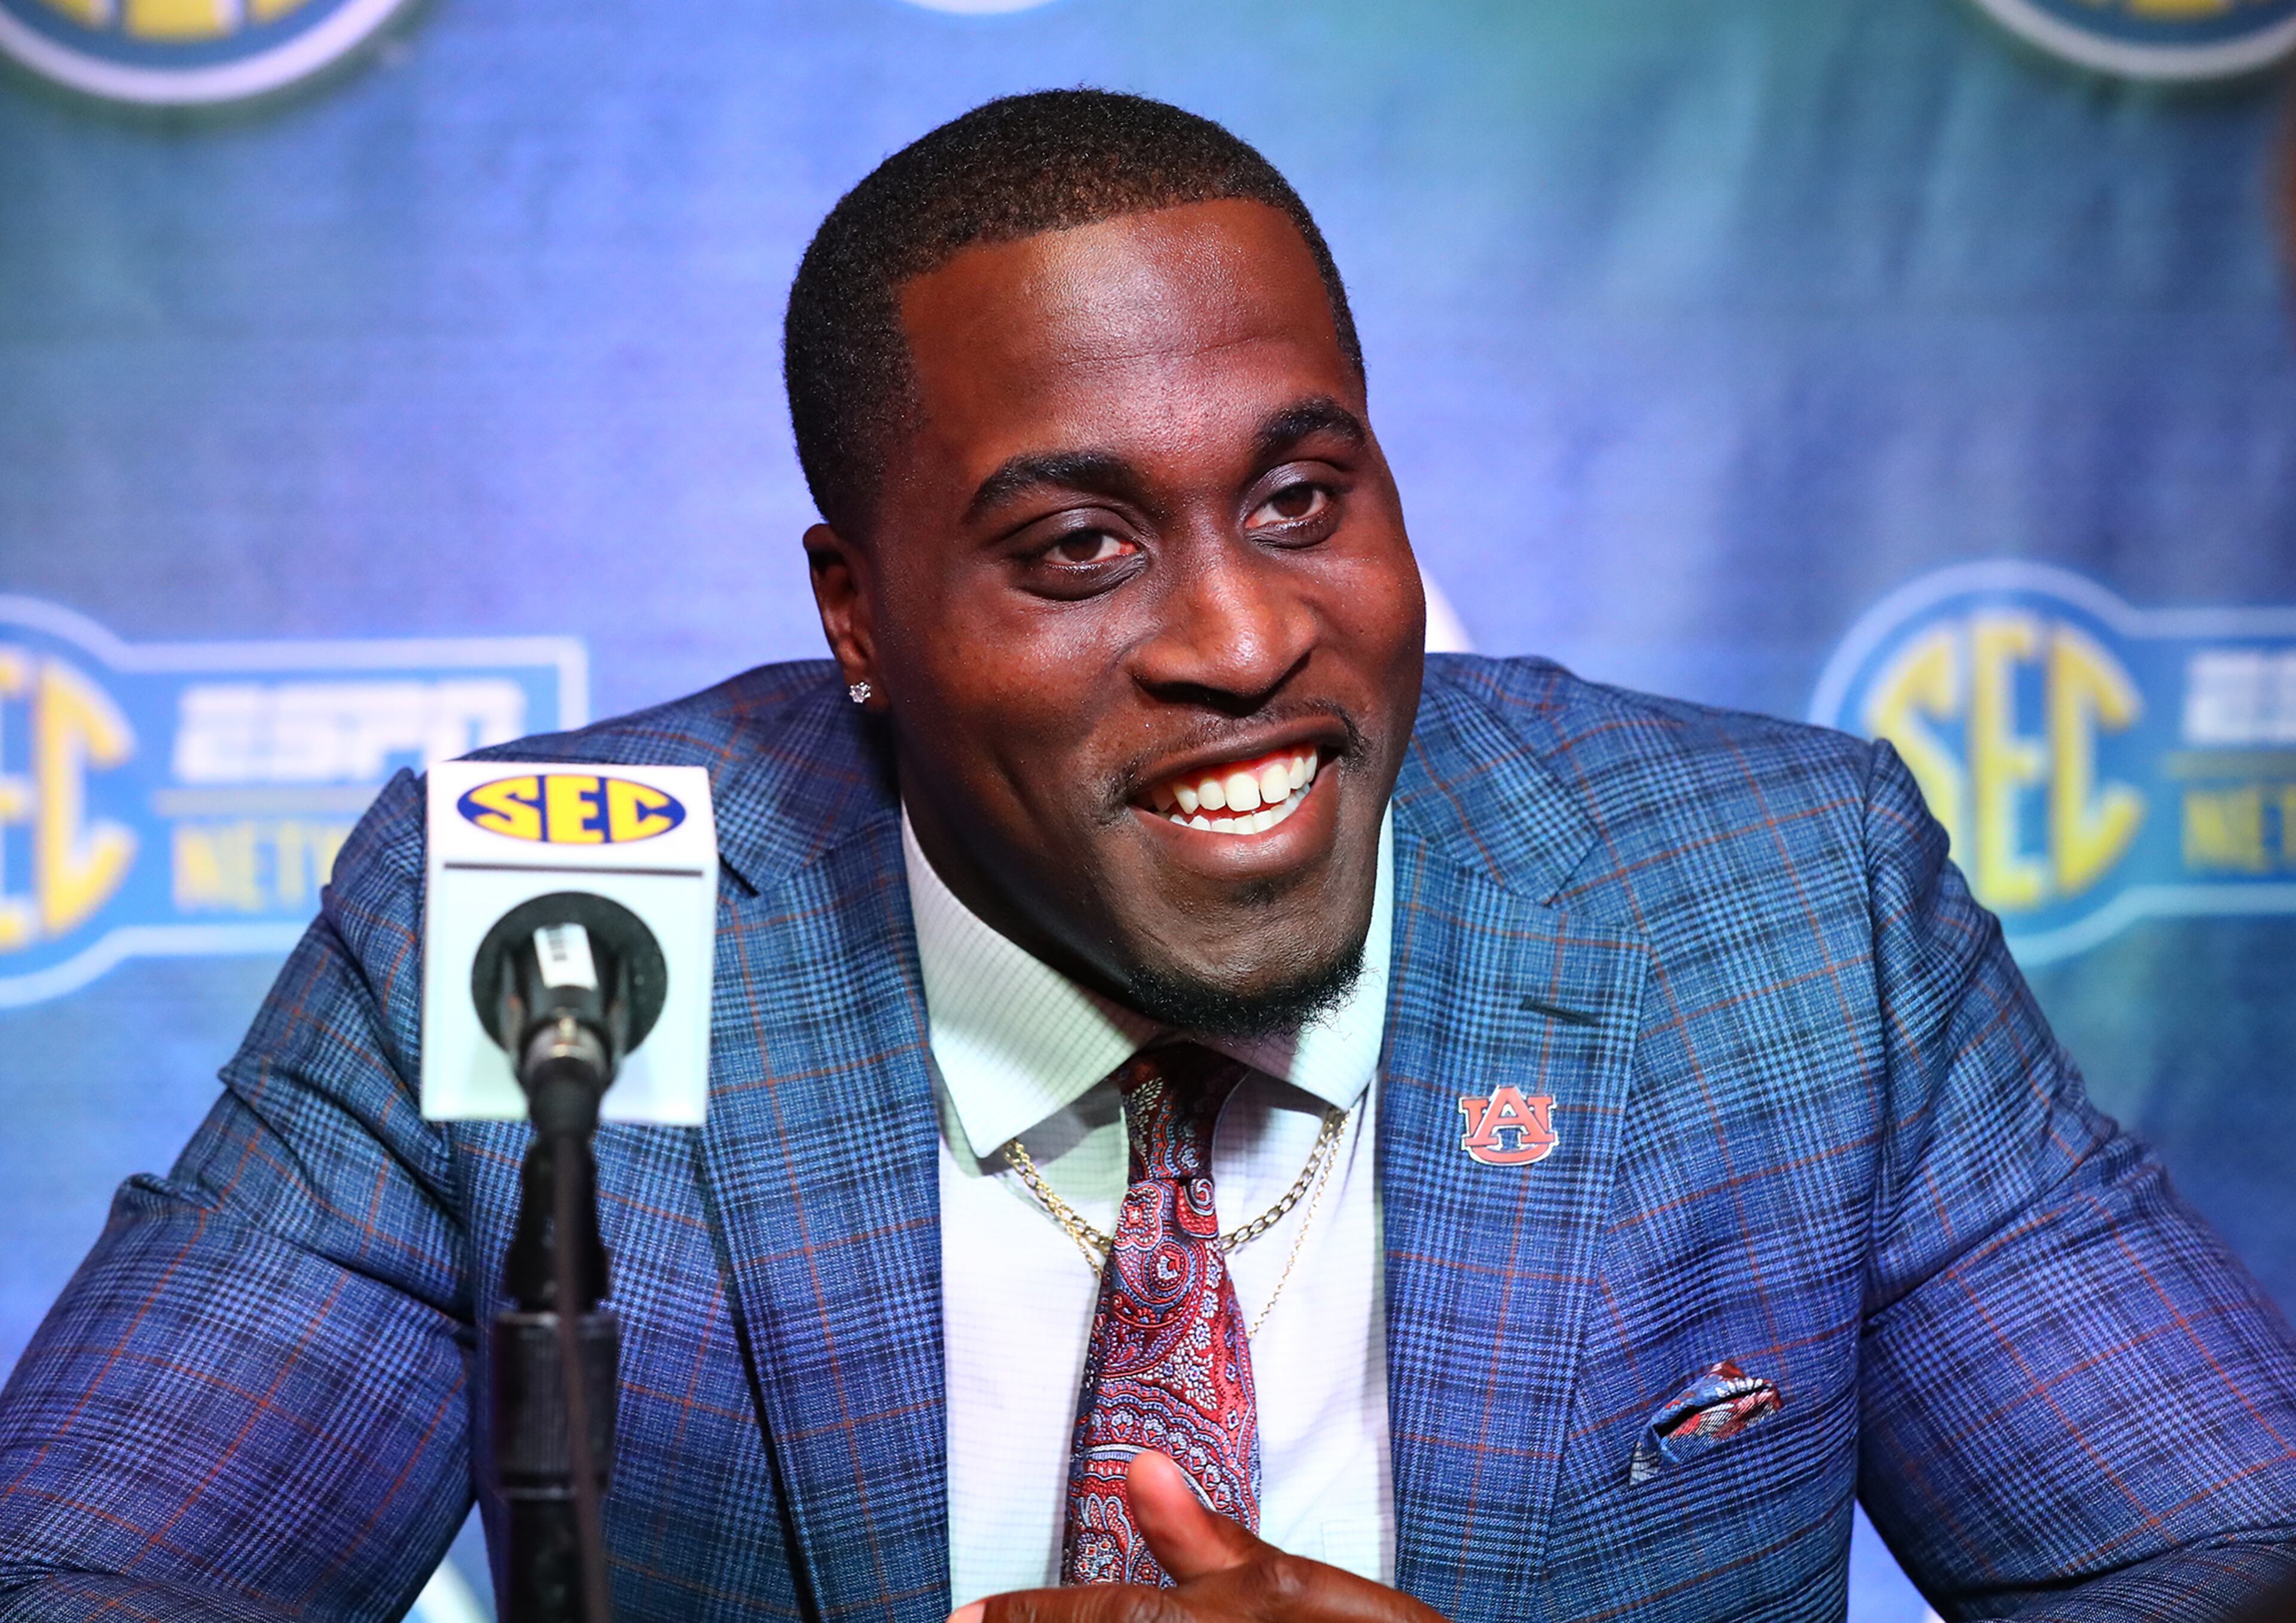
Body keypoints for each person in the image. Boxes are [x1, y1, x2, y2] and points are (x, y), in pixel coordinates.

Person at [4, 88, 2295, 1623]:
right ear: (858, 617)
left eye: (1305, 500)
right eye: (1079, 544)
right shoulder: (556, 929)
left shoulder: (1784, 906)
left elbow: (2216, 1571)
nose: (1242, 637)